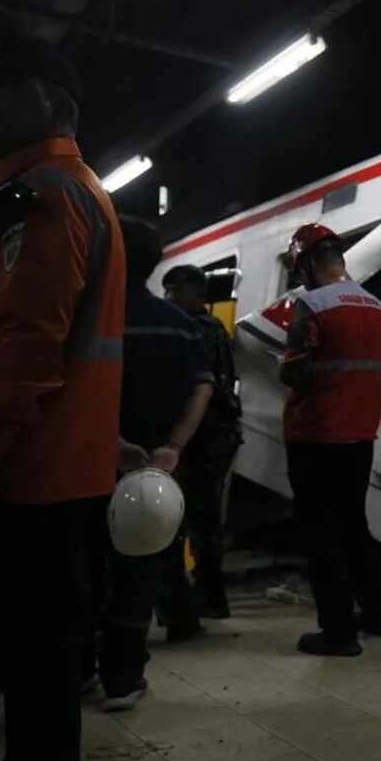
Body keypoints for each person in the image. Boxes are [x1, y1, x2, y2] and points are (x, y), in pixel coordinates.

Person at [0, 35, 125, 761]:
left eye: (5, 82)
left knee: (22, 673)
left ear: (57, 106)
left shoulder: (48, 197)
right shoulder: (47, 194)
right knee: (42, 668)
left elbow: (24, 344)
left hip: (24, 479)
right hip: (57, 476)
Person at [84, 216, 213, 712]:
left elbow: (75, 390)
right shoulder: (180, 325)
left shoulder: (90, 317)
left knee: (89, 569)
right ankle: (123, 679)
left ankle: (80, 671)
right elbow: (204, 385)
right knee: (138, 572)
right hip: (154, 473)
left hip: (91, 464)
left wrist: (114, 443)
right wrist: (173, 447)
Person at [280, 222, 381, 656]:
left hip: (315, 436)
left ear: (308, 263)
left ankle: (339, 632)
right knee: (353, 526)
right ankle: (378, 614)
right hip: (360, 436)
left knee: (320, 535)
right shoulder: (378, 307)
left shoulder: (312, 304)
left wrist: (283, 367)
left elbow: (295, 369)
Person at [161, 263, 242, 620]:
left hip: (199, 438)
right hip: (217, 436)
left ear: (195, 292)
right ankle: (211, 597)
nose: (169, 297)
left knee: (186, 520)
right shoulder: (216, 328)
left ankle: (190, 600)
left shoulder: (192, 328)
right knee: (205, 520)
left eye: (174, 290)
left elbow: (199, 389)